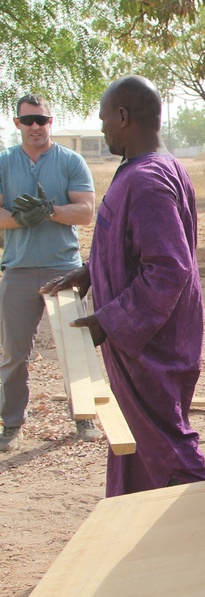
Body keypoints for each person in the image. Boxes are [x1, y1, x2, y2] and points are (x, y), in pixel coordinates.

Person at [40, 75, 205, 496]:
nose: (102, 129)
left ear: (123, 116)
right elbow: (136, 243)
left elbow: (168, 268)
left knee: (167, 452)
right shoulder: (153, 169)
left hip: (153, 348)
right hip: (148, 343)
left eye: (104, 119)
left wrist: (111, 322)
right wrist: (89, 272)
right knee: (139, 446)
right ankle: (140, 530)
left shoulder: (148, 180)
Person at [0, 93, 98, 452]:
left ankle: (84, 417)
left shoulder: (71, 161)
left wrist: (49, 210)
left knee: (76, 346)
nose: (35, 127)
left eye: (41, 119)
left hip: (64, 269)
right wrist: (20, 219)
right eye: (28, 121)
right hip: (18, 270)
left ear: (50, 121)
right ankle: (12, 424)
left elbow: (85, 212)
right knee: (13, 353)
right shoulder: (4, 162)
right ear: (17, 124)